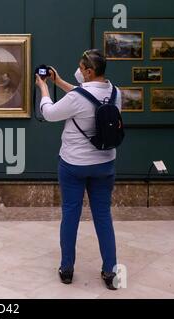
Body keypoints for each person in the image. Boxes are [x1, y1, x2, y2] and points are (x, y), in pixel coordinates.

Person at [35, 49, 122, 290]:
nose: (79, 71)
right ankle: (110, 272)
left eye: (81, 68)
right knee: (103, 216)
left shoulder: (78, 97)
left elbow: (50, 113)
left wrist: (44, 88)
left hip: (74, 165)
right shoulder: (116, 93)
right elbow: (86, 97)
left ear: (89, 71)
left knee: (71, 214)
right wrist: (59, 81)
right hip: (105, 164)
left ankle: (67, 268)